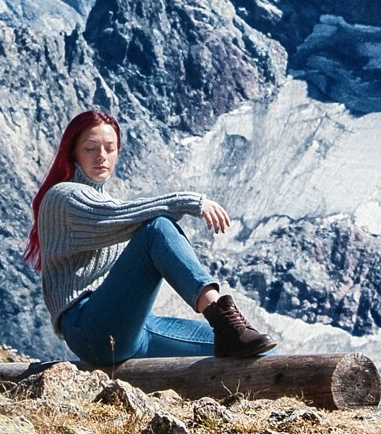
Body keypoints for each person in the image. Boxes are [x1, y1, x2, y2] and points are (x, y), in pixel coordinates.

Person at [24, 107, 275, 369]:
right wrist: (189, 201)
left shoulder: (106, 202)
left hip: (131, 328)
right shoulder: (62, 197)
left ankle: (231, 332)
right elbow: (119, 215)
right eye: (90, 148)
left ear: (118, 152)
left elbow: (119, 216)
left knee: (253, 351)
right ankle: (222, 316)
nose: (101, 156)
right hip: (89, 328)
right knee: (157, 228)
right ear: (73, 151)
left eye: (110, 148)